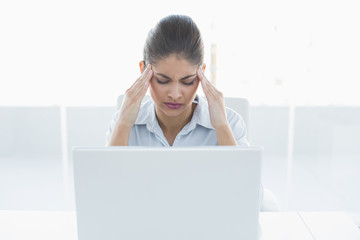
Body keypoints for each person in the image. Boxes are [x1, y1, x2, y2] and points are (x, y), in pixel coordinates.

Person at [106, 14, 249, 147]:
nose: (175, 95)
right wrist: (123, 125)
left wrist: (222, 127)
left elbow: (242, 174)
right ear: (143, 70)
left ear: (201, 74)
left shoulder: (230, 123)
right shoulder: (122, 122)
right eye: (162, 80)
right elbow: (108, 173)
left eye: (187, 81)